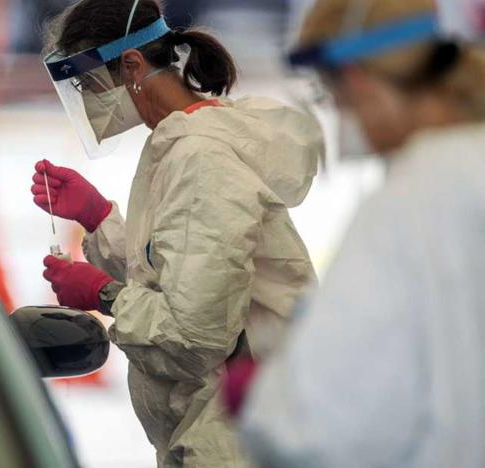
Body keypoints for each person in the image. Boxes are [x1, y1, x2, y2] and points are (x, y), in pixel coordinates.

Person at [32, 0, 324, 465]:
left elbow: (193, 337)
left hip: (237, 439)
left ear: (132, 65)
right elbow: (181, 277)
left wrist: (104, 294)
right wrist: (97, 219)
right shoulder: (182, 142)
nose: (87, 100)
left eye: (88, 83)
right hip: (227, 427)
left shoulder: (201, 159)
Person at [232, 1, 485, 467]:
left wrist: (265, 396)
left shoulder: (415, 200)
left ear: (356, 80)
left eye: (334, 97)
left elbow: (317, 430)